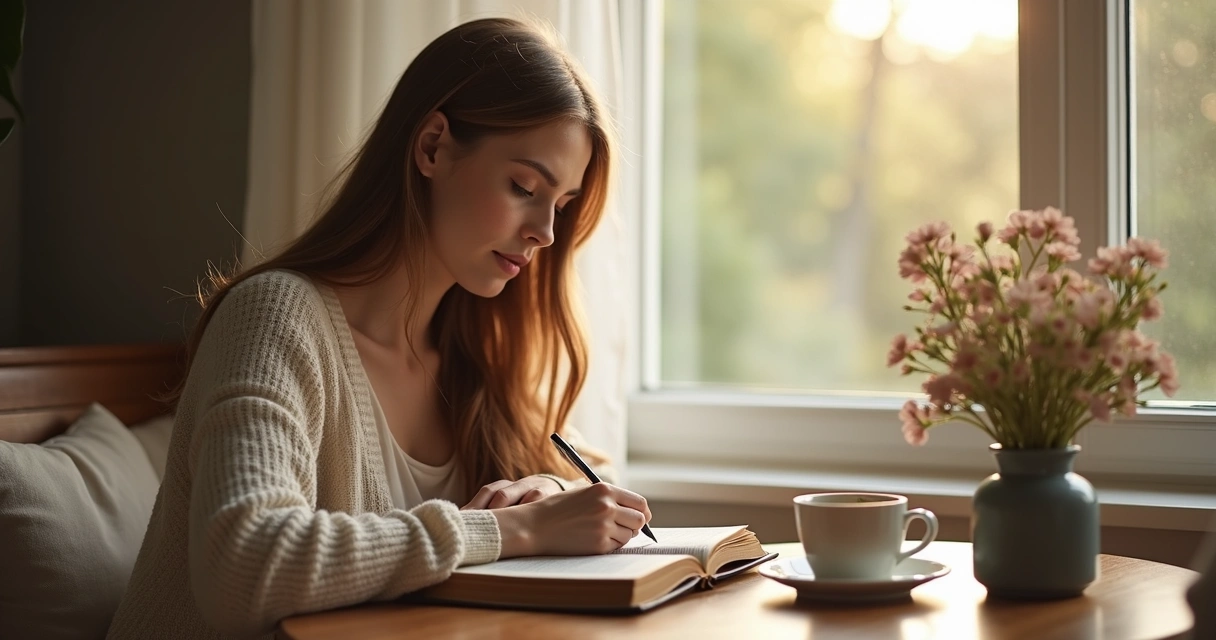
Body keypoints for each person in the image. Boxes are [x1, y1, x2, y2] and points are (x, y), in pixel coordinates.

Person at [107, 17, 650, 639]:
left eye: (562, 206)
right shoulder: (273, 318)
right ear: (432, 147)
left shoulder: (475, 354)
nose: (546, 233)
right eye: (524, 186)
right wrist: (510, 530)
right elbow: (245, 566)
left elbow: (585, 486)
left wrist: (546, 492)